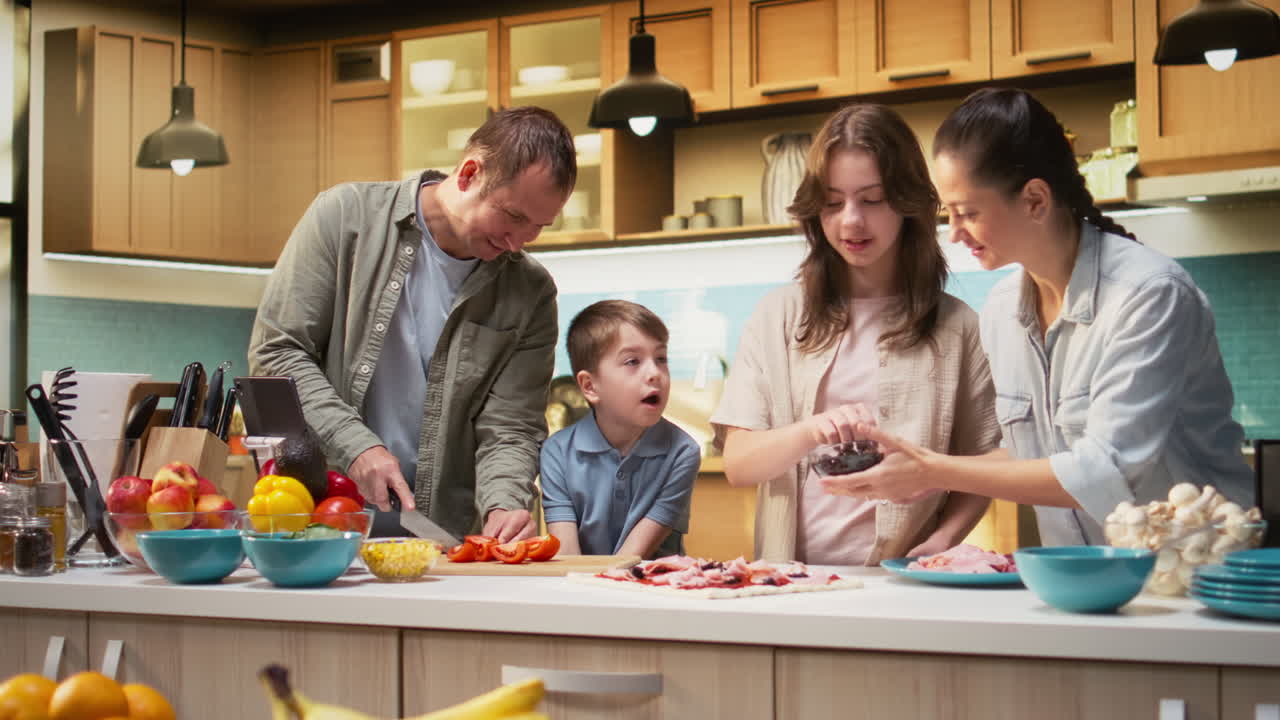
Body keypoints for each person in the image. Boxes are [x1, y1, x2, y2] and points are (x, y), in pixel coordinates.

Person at [824, 88, 1254, 546]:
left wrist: (935, 469)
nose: (954, 233)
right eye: (947, 213)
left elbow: (1104, 470)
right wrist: (928, 473)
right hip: (1087, 584)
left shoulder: (1148, 295)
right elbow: (1032, 456)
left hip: (1199, 574)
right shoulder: (1002, 312)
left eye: (967, 212)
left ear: (1034, 200)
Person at [249, 106, 576, 541]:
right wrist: (356, 446)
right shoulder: (344, 218)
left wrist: (504, 503)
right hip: (318, 521)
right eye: (514, 216)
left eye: (538, 227)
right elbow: (277, 352)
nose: (517, 242)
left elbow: (511, 426)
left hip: (443, 538)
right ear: (469, 173)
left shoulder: (530, 291)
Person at [711, 104, 1000, 565]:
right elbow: (740, 464)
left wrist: (944, 539)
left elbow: (983, 465)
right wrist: (808, 432)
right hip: (790, 580)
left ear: (907, 203)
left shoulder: (958, 327)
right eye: (832, 202)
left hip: (908, 580)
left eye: (871, 199)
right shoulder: (777, 316)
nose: (850, 221)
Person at [539, 300, 700, 559]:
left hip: (650, 589)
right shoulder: (556, 452)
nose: (654, 373)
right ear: (590, 386)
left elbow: (630, 558)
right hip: (581, 588)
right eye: (632, 361)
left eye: (661, 359)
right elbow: (566, 556)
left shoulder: (682, 452)